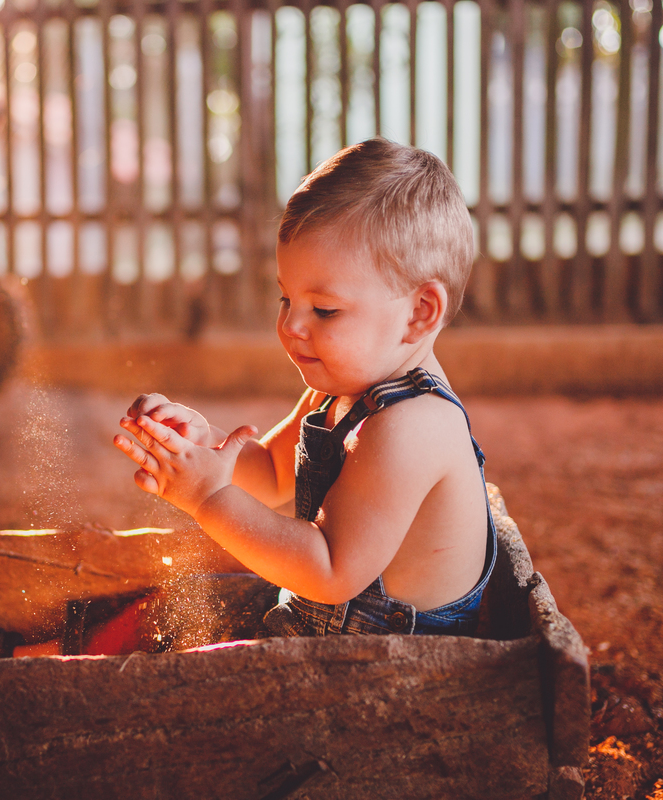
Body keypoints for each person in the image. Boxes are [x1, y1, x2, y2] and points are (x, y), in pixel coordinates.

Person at [113, 138, 496, 638]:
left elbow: (331, 571)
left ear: (419, 312)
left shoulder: (412, 427)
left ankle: (39, 665)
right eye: (285, 298)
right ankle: (32, 654)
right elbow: (271, 473)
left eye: (325, 309)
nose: (291, 324)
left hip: (380, 668)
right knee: (171, 606)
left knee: (179, 640)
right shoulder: (340, 391)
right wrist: (204, 444)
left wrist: (209, 498)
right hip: (317, 630)